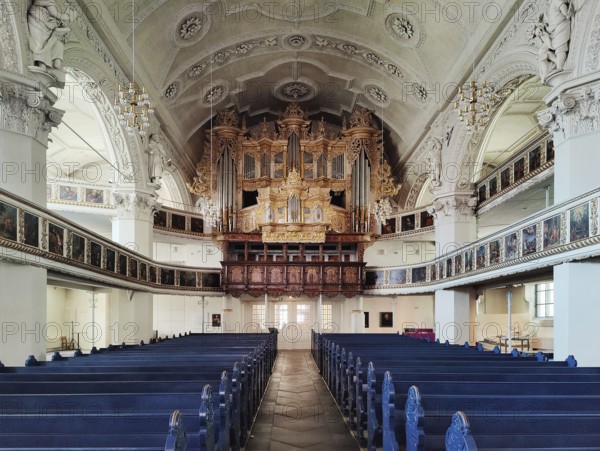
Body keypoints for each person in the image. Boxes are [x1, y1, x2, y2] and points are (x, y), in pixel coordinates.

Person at [27, 0, 71, 70]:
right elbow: (54, 13)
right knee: (39, 42)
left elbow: (53, 14)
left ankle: (51, 62)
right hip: (37, 19)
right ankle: (42, 64)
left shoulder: (49, 2)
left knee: (51, 43)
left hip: (44, 23)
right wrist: (64, 16)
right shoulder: (48, 2)